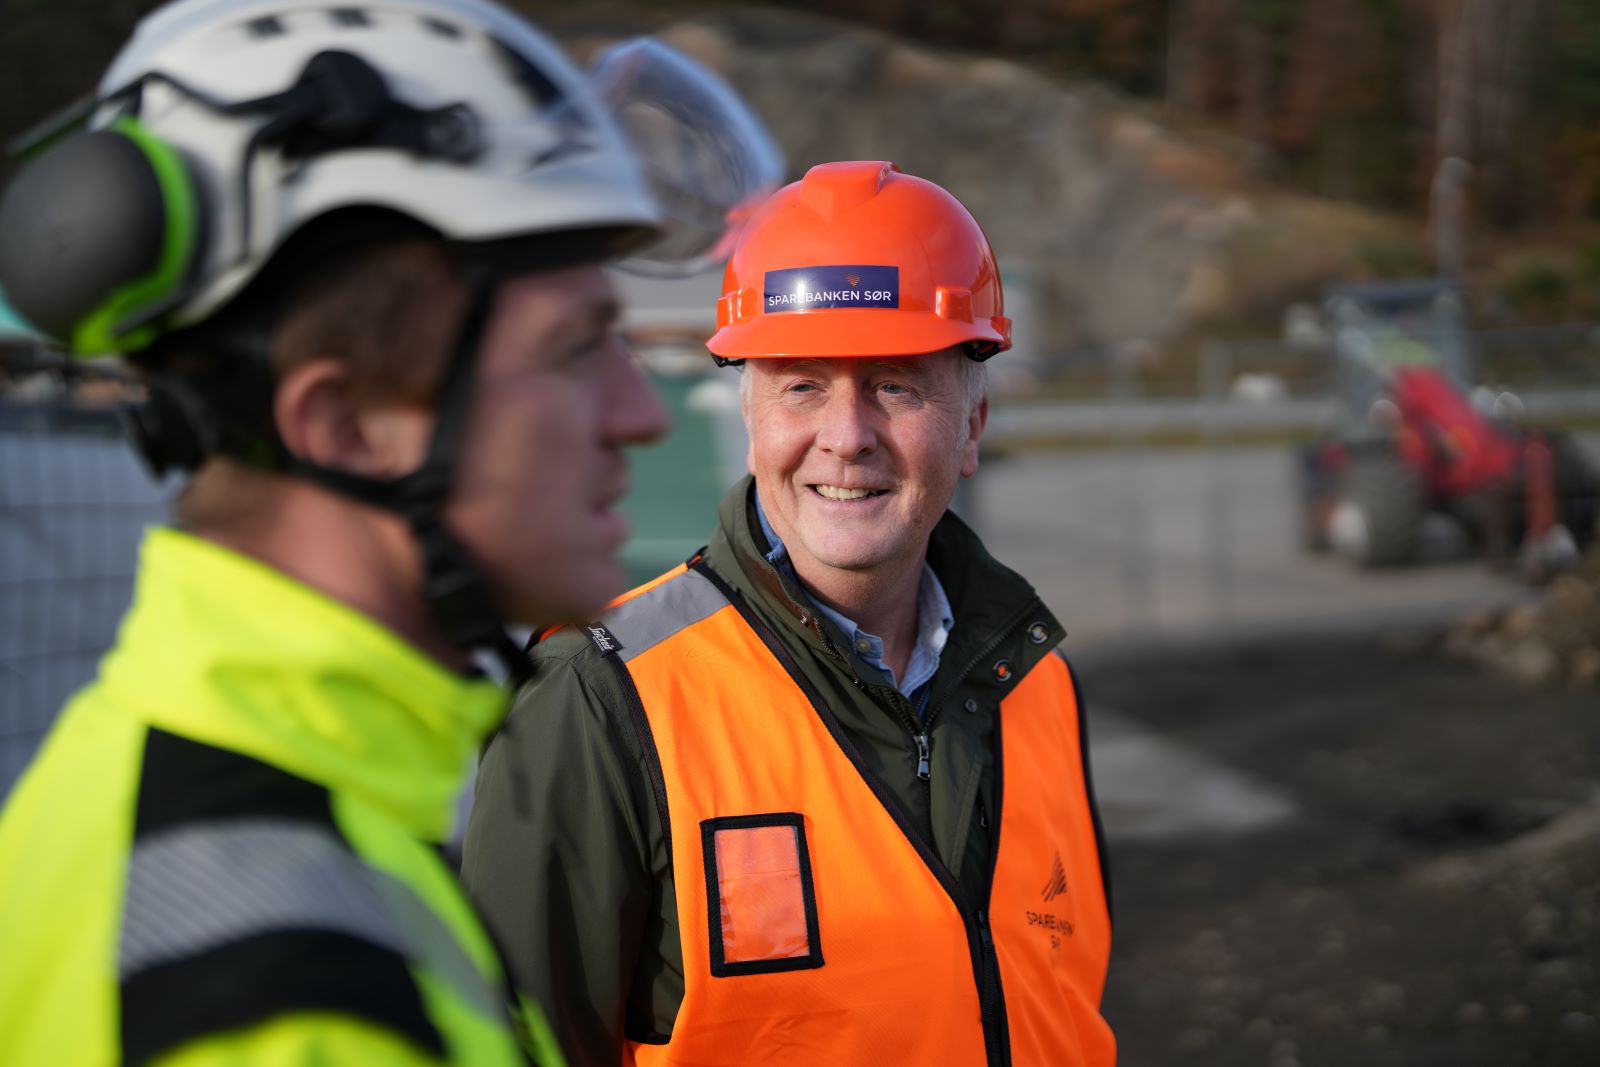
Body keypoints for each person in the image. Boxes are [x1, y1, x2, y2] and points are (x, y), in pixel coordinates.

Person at [0, 1, 776, 1063]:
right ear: (348, 423)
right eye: (572, 349)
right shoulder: (293, 997)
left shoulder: (155, 769)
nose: (639, 413)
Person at [463, 160, 1116, 1066]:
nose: (846, 435)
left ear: (971, 428)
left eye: (895, 383)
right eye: (802, 384)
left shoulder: (1035, 686)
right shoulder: (600, 699)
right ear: (750, 413)